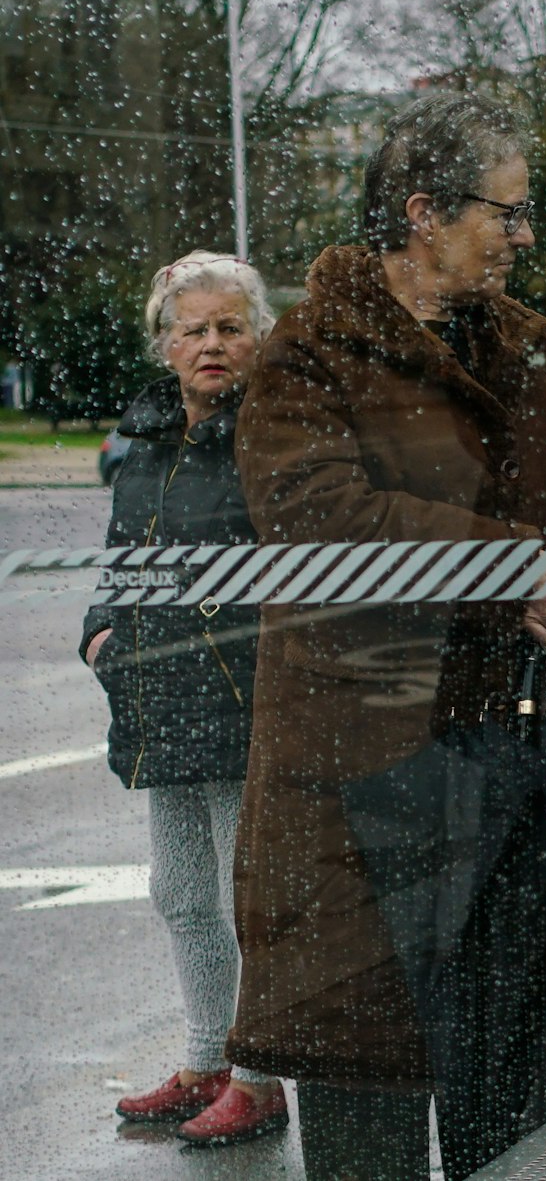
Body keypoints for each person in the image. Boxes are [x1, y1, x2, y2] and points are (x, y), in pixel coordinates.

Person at [226, 93, 546, 1180]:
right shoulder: (309, 352)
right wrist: (508, 568)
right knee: (369, 1094)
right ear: (421, 212)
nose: (526, 235)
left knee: (518, 1103)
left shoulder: (532, 346)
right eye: (508, 212)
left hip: (510, 762)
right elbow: (318, 521)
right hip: (361, 769)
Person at [79, 250, 287, 1146]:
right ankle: (206, 1059)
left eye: (230, 326)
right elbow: (121, 560)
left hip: (244, 700)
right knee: (182, 892)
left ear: (258, 338)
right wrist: (97, 633)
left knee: (253, 898)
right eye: (193, 328)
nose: (211, 343)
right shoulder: (148, 438)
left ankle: (259, 1075)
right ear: (165, 344)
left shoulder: (276, 431)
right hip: (160, 696)